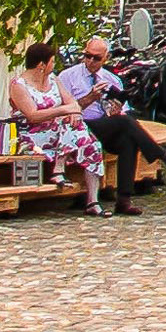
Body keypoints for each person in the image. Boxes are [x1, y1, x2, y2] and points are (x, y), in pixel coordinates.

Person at [58, 35, 152, 215]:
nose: (91, 61)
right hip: (78, 127)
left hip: (104, 125)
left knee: (127, 138)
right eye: (87, 56)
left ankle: (123, 200)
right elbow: (63, 111)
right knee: (125, 125)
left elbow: (122, 110)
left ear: (105, 58)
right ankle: (165, 156)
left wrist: (115, 110)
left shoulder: (111, 79)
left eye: (96, 58)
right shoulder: (68, 77)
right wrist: (90, 98)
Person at [10, 43, 103, 214]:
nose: (54, 66)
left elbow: (71, 102)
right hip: (31, 134)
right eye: (52, 62)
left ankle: (92, 201)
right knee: (72, 127)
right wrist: (63, 111)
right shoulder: (18, 85)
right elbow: (32, 115)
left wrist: (73, 112)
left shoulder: (53, 79)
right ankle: (59, 169)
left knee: (90, 143)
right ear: (41, 65)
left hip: (58, 132)